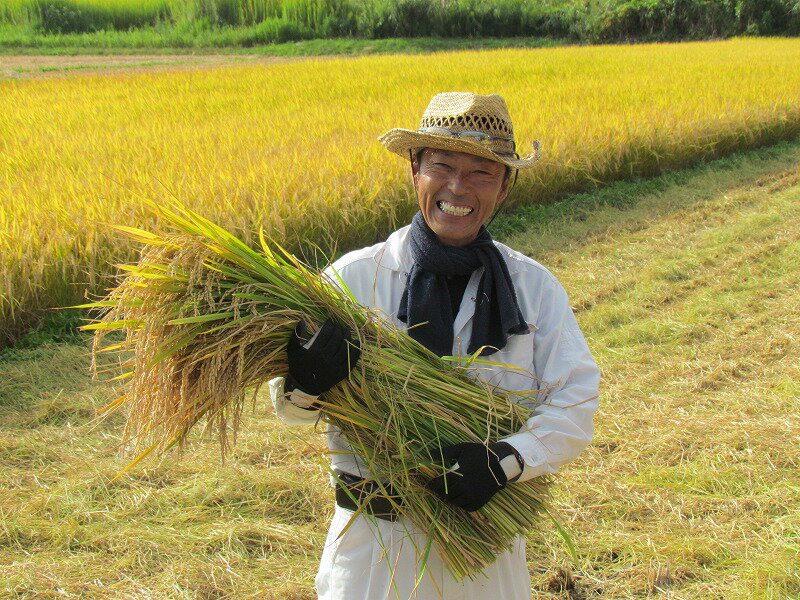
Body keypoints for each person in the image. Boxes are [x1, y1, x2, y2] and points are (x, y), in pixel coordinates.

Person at [268, 92, 600, 600]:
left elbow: (575, 402)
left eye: (481, 173)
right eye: (442, 166)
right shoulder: (352, 281)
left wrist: (507, 460)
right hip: (373, 552)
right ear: (414, 170)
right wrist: (305, 383)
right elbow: (288, 409)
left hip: (483, 554)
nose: (457, 188)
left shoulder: (533, 289)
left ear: (505, 187)